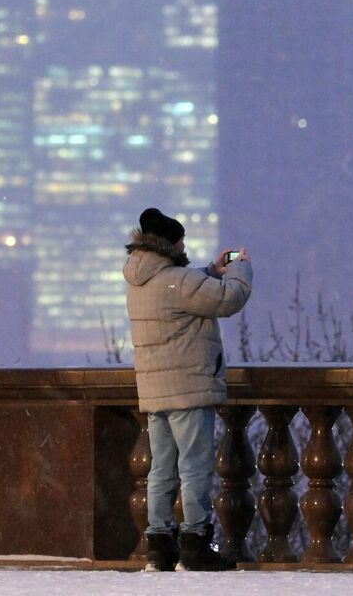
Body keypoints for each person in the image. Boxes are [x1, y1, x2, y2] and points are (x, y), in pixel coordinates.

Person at [123, 207, 254, 572]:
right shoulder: (178, 283)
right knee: (194, 467)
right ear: (170, 245)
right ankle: (195, 544)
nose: (185, 247)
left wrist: (211, 272)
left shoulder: (141, 281)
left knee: (162, 469)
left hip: (155, 391)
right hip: (188, 388)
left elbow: (179, 287)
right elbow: (228, 299)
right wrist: (240, 269)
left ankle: (159, 546)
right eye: (182, 242)